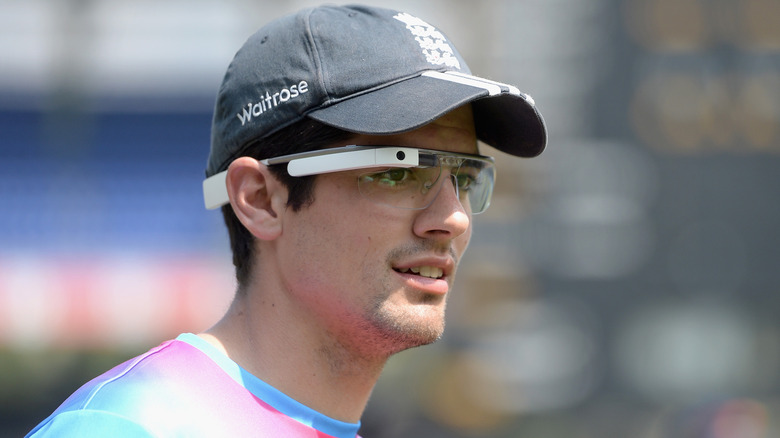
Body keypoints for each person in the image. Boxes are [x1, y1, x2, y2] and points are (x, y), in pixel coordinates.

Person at [26, 4, 546, 437]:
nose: (452, 217)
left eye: (465, 175)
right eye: (397, 173)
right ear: (260, 199)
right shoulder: (128, 426)